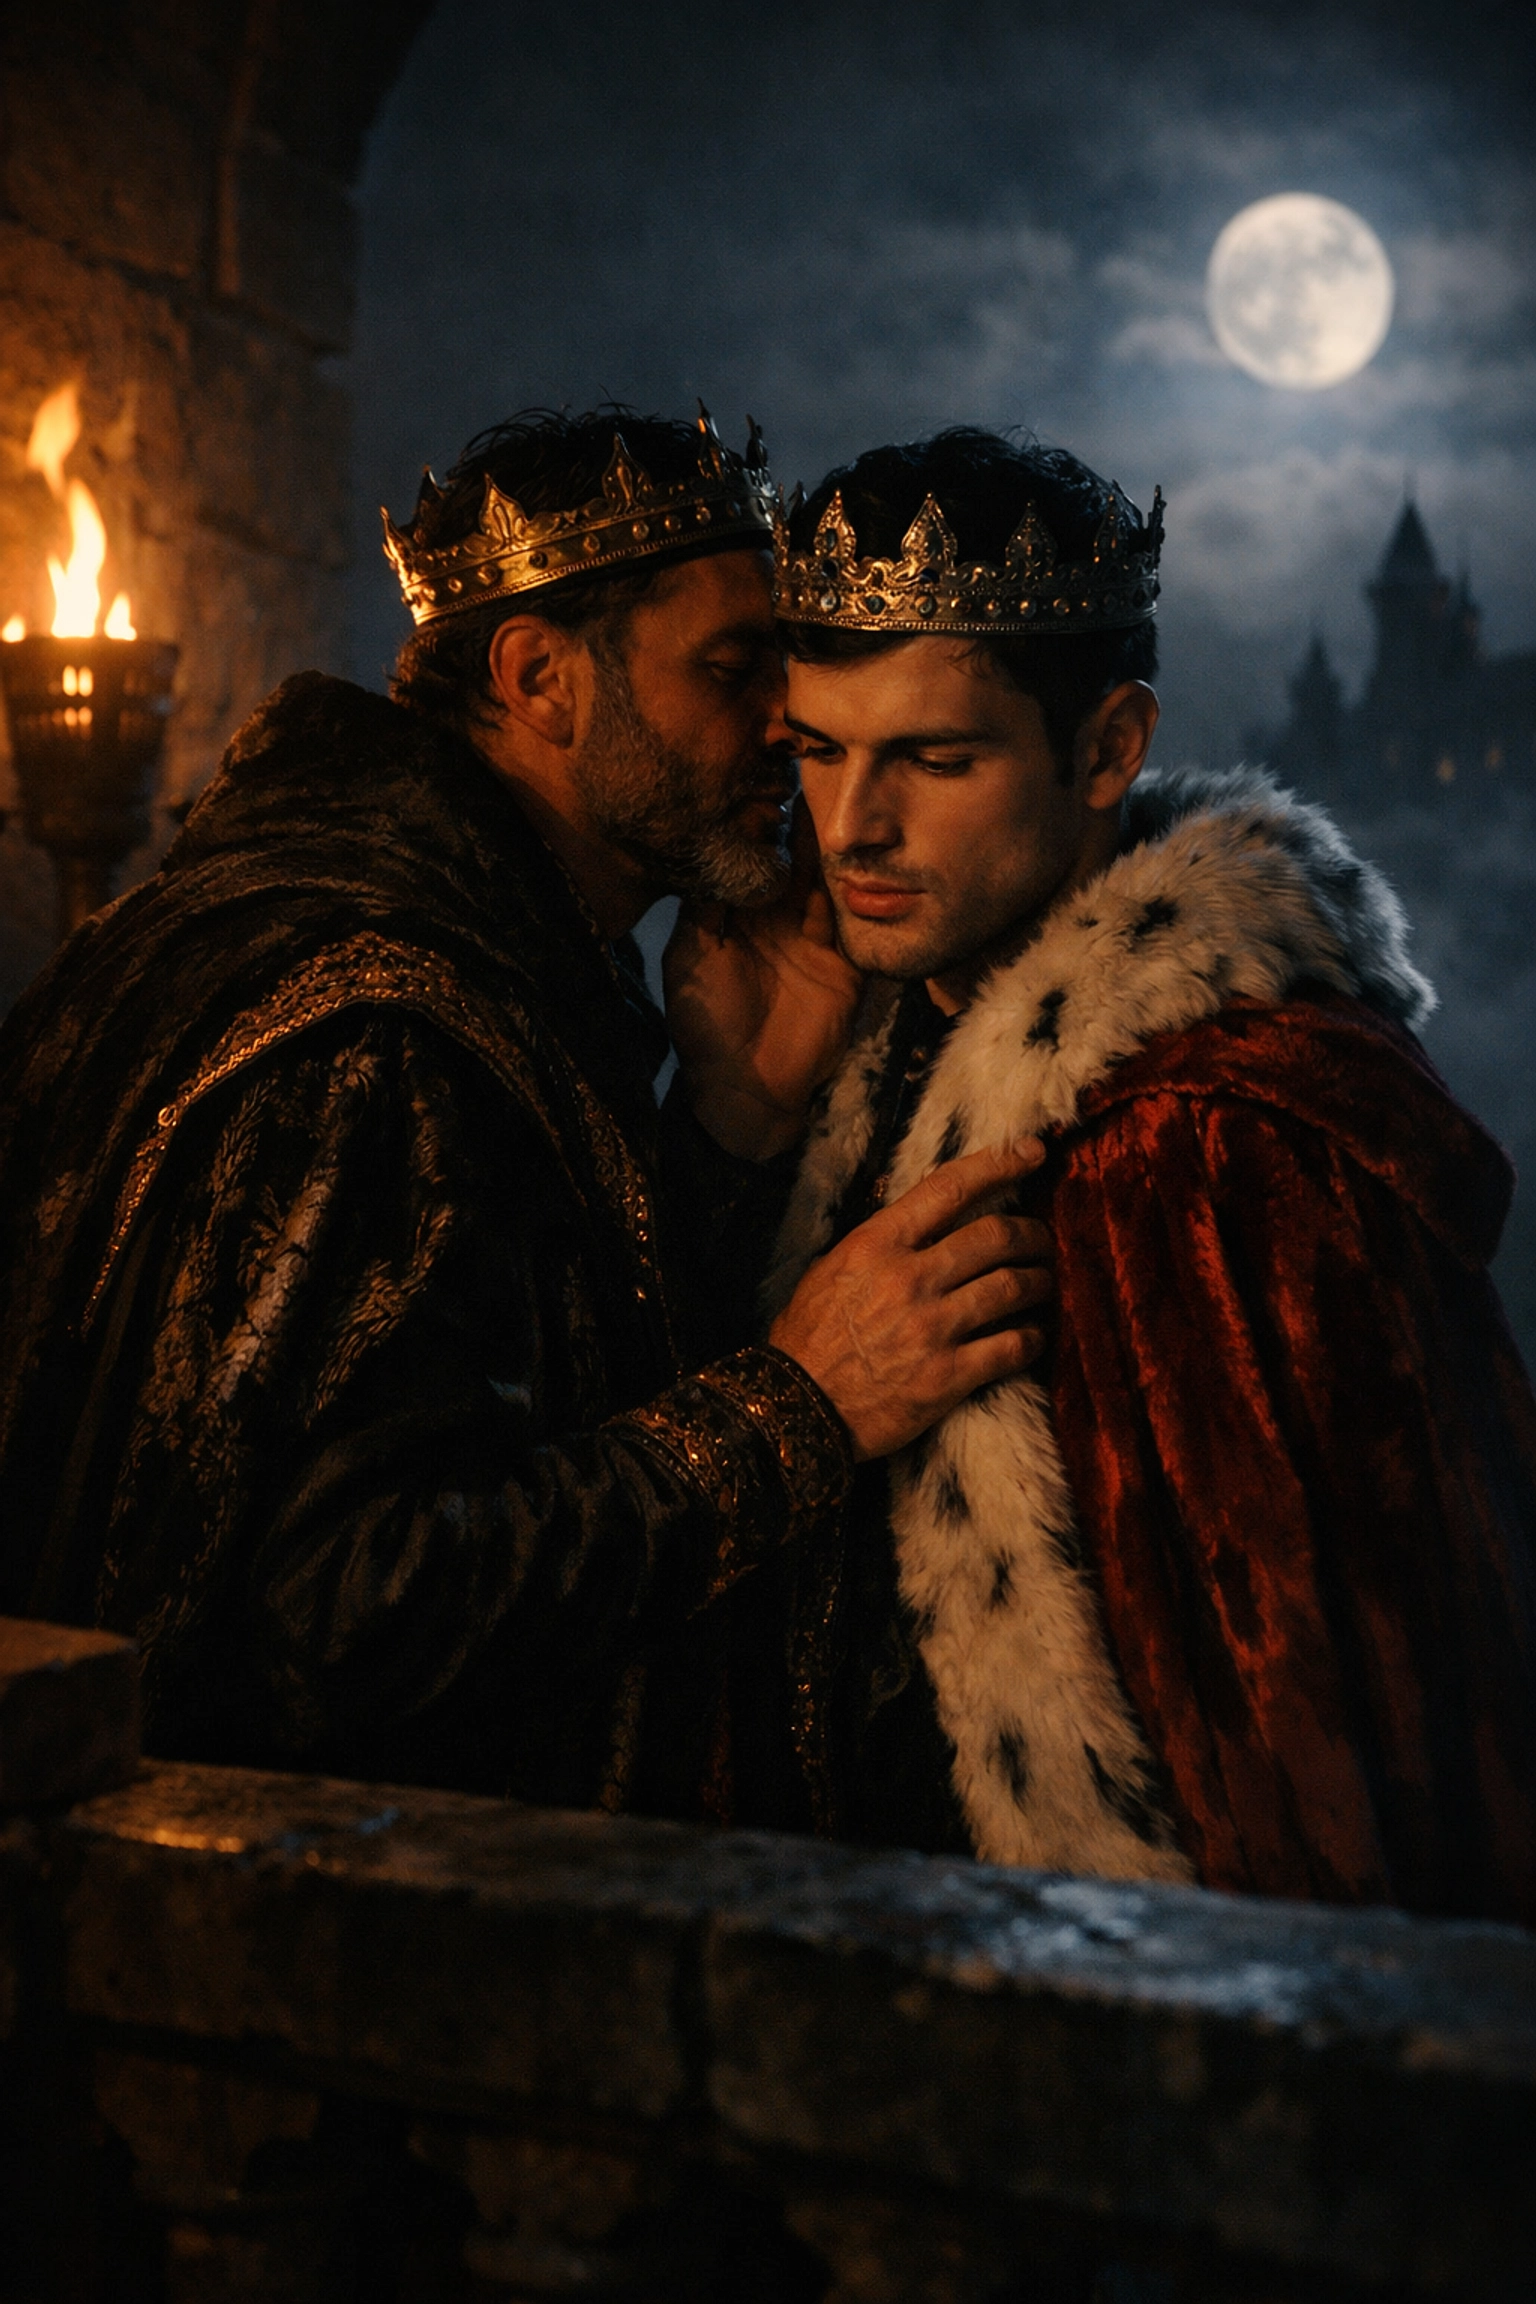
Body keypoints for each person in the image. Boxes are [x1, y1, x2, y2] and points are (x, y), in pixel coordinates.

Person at [0, 408, 1052, 1815]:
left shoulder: (435, 955)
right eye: (733, 667)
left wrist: (723, 1129)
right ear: (540, 678)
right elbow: (339, 1620)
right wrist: (794, 1409)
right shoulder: (378, 1025)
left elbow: (540, 1381)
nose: (786, 724)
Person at [753, 426, 1536, 1920]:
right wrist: (734, 1131)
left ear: (1108, 750)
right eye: (818, 752)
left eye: (935, 759)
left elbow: (1315, 1743)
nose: (851, 828)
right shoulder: (858, 1056)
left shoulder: (1211, 1136)